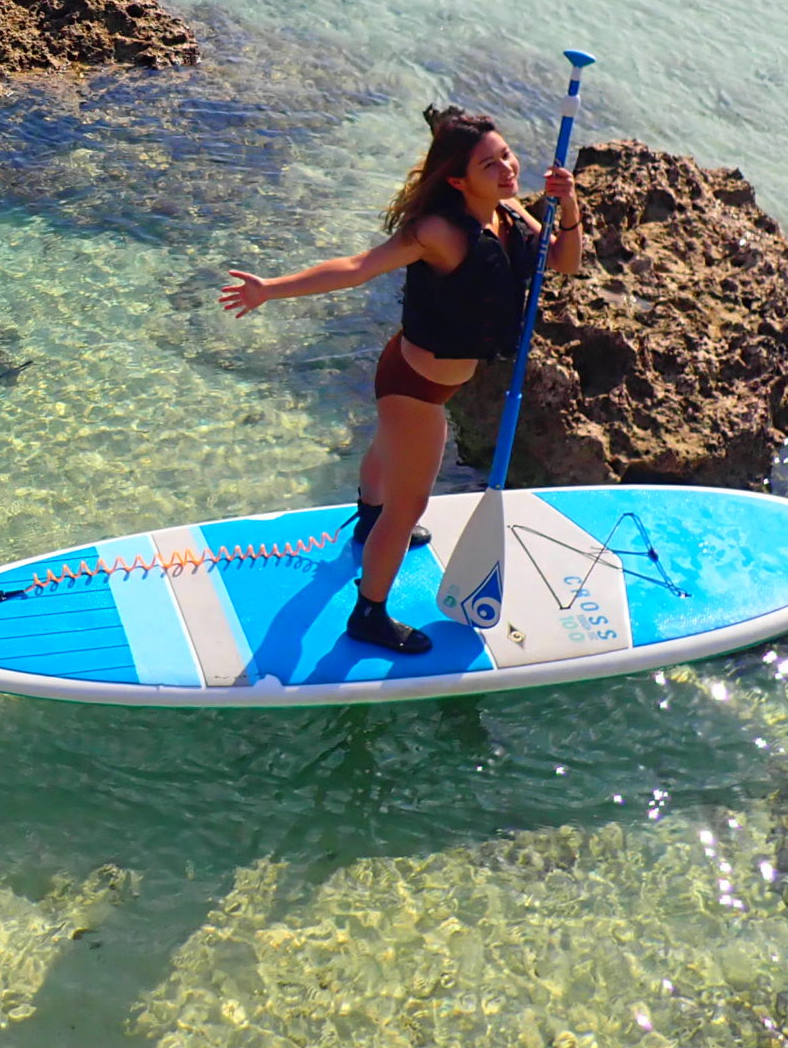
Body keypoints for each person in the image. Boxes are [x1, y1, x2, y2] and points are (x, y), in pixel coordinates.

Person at [218, 106, 583, 655]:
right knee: (409, 505)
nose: (507, 169)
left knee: (388, 457)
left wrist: (569, 200)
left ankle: (369, 518)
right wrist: (270, 288)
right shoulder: (438, 231)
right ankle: (369, 614)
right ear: (458, 180)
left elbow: (566, 262)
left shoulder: (510, 215)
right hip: (414, 387)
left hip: (424, 377)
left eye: (506, 155)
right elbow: (357, 267)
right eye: (490, 164)